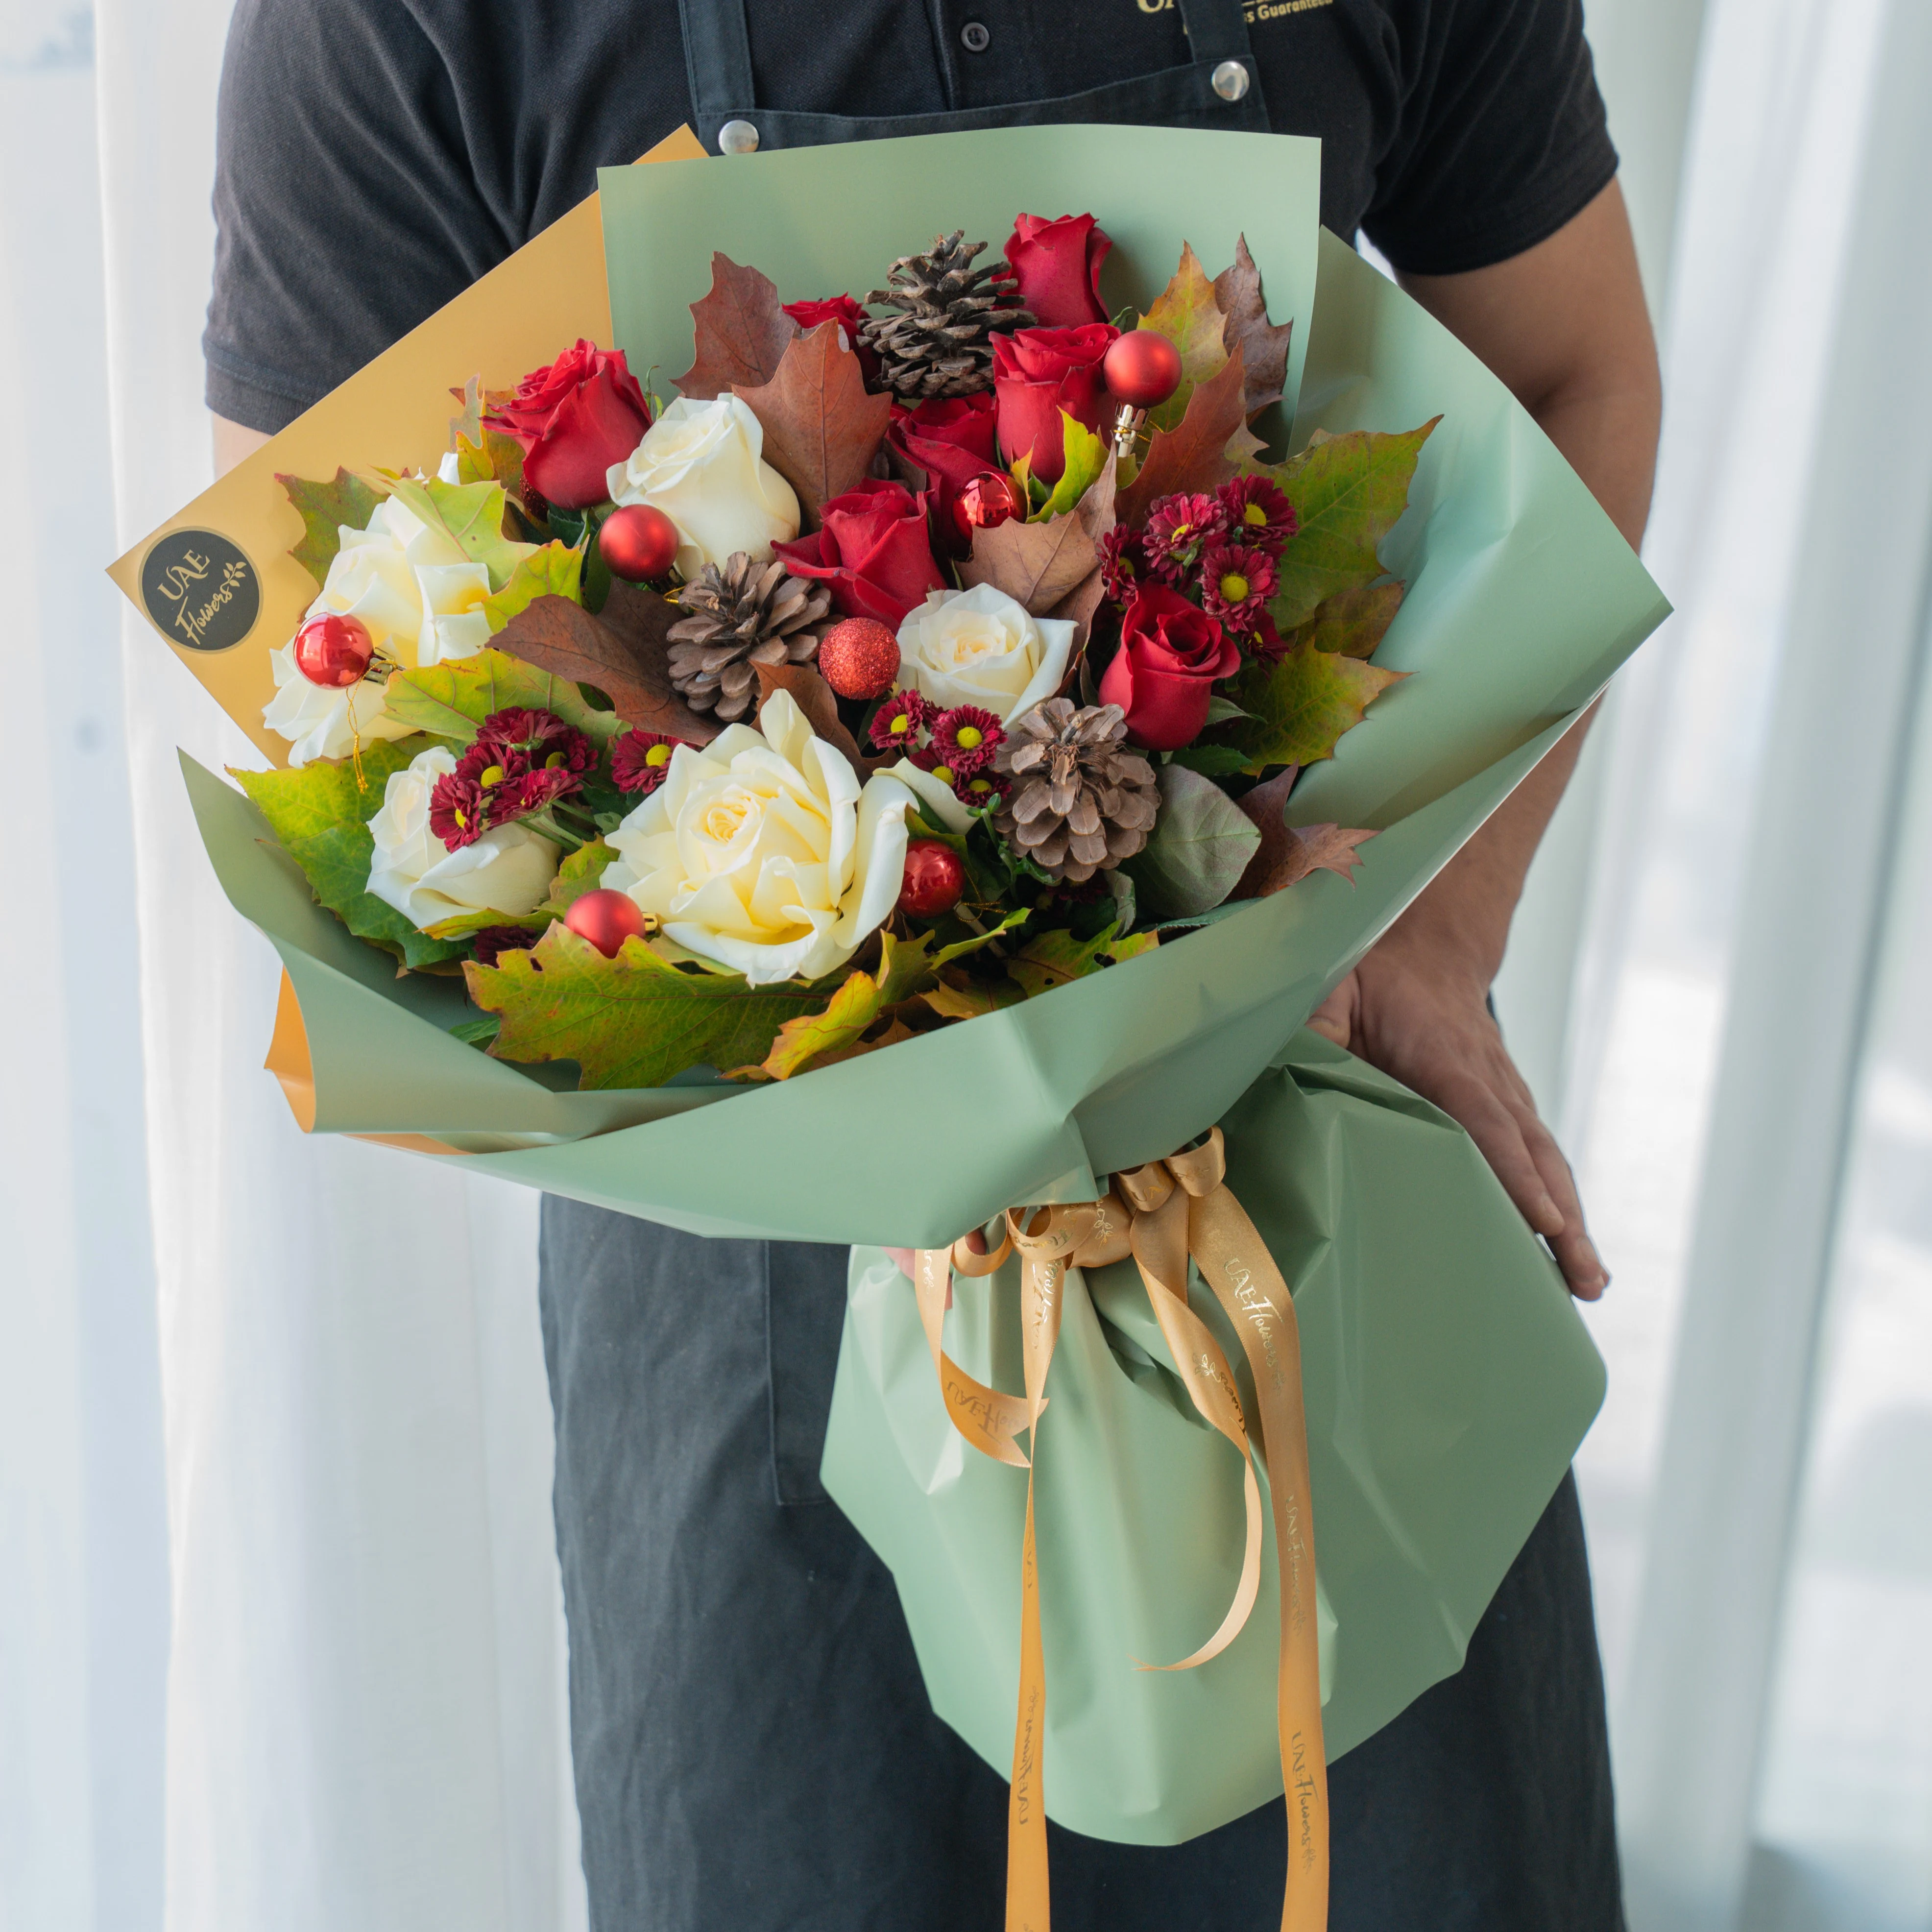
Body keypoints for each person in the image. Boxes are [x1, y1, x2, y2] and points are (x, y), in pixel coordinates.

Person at [207, 2, 1660, 1926]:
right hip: (742, 1273)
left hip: (1308, 1170)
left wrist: (1434, 943)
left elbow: (1568, 372)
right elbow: (336, 667)